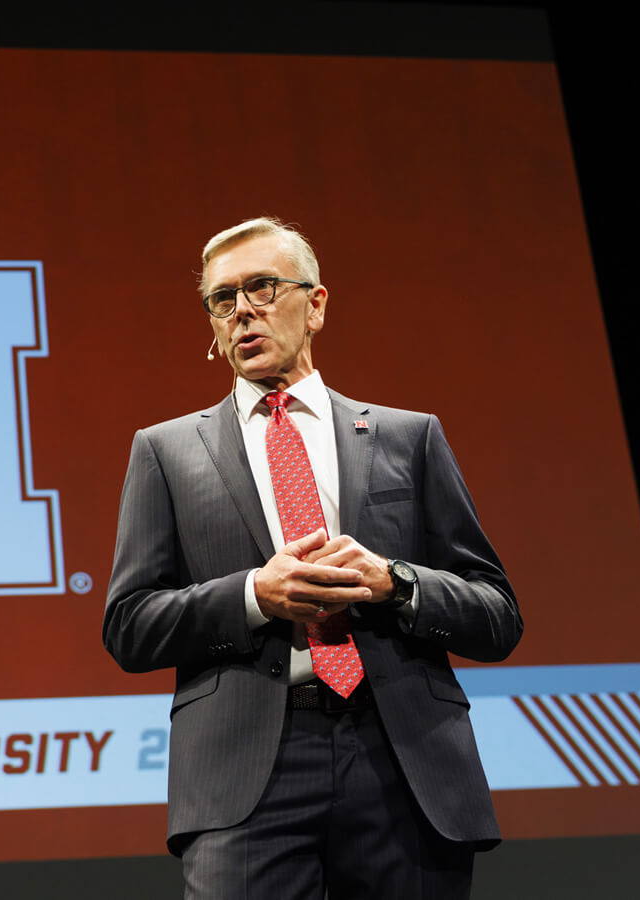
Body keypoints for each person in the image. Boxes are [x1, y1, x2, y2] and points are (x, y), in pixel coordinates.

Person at [103, 217, 521, 899]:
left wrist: (395, 583)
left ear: (316, 304)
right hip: (248, 773)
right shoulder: (167, 452)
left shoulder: (407, 437)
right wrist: (253, 596)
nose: (242, 311)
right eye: (222, 299)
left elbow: (497, 614)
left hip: (403, 761)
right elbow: (129, 624)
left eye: (262, 288)